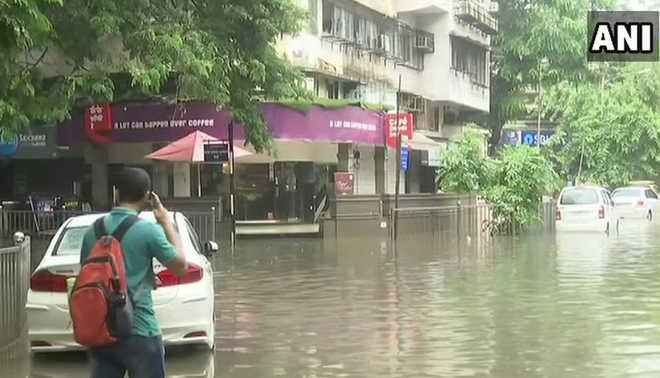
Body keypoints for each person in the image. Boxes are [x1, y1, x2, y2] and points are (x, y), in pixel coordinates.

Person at [79, 167, 187, 378]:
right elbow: (181, 266)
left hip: (102, 332)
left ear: (116, 193)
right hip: (141, 330)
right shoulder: (148, 230)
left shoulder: (92, 230)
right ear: (147, 195)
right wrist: (165, 221)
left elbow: (90, 274)